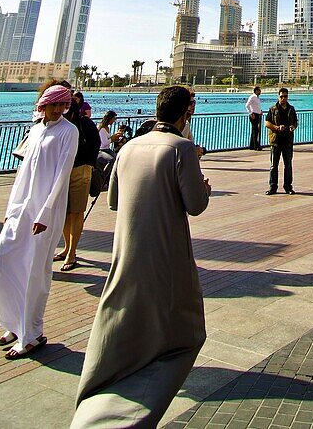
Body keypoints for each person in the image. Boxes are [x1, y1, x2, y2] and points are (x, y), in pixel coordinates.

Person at [70, 85, 211, 429]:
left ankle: (96, 393)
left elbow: (113, 201)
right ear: (186, 113)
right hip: (167, 253)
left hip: (125, 253)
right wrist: (203, 187)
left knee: (118, 325)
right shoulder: (182, 149)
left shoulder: (130, 147)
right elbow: (196, 205)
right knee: (182, 335)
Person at [0, 83, 78, 359]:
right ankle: (13, 323)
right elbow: (23, 172)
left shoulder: (69, 132)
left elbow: (61, 175)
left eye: (63, 105)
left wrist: (45, 212)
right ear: (43, 105)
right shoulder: (37, 129)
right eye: (55, 105)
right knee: (1, 262)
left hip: (45, 213)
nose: (59, 110)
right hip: (21, 209)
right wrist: (12, 208)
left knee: (35, 272)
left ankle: (32, 334)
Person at [54, 92, 101, 272]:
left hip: (81, 171)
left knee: (77, 211)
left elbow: (95, 144)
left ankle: (72, 252)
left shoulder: (84, 124)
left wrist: (89, 165)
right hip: (62, 171)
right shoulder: (59, 126)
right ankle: (66, 247)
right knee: (64, 212)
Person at [265, 88, 298, 194]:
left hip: (287, 140)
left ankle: (288, 186)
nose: (283, 98)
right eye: (281, 96)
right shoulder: (273, 109)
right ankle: (272, 187)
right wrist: (276, 127)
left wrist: (293, 126)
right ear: (278, 97)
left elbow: (295, 122)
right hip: (276, 140)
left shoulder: (291, 109)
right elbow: (267, 123)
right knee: (274, 165)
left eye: (285, 96)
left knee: (288, 164)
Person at [182, 90, 208, 157]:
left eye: (194, 102)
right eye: (190, 103)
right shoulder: (182, 125)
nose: (193, 105)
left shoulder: (186, 124)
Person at [245, 86, 263, 151]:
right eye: (259, 90)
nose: (260, 92)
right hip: (254, 115)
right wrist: (251, 113)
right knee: (256, 130)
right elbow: (247, 105)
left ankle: (252, 145)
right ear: (256, 91)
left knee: (254, 130)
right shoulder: (252, 97)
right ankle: (256, 146)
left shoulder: (257, 98)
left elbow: (256, 106)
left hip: (257, 114)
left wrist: (260, 111)